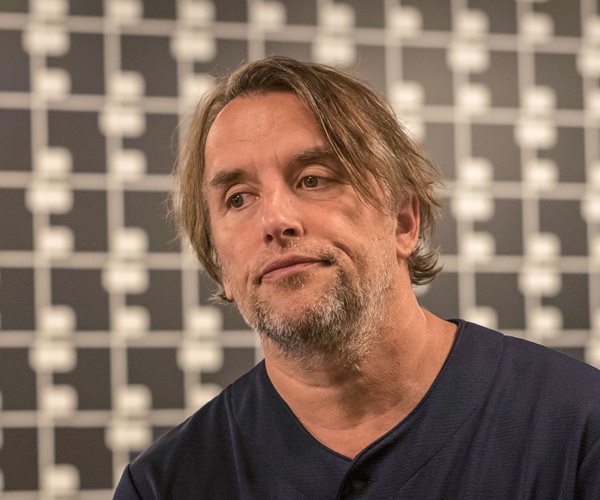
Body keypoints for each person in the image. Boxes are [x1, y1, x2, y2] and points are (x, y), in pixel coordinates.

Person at [114, 56, 600, 499]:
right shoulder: (162, 486)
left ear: (403, 221)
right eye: (238, 198)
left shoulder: (577, 427)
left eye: (313, 179)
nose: (275, 220)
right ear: (218, 261)